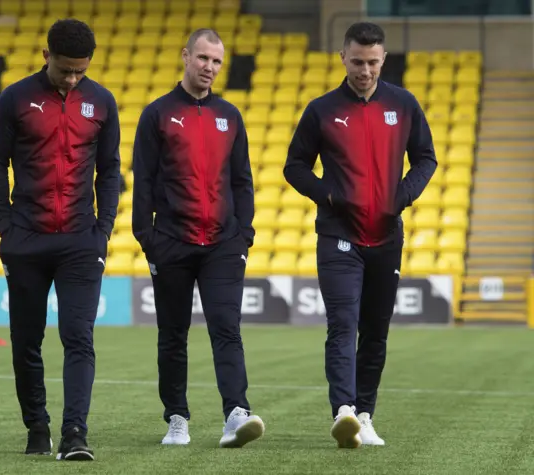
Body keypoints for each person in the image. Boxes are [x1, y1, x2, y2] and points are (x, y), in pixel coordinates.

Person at [283, 22, 437, 449]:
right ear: (342, 58)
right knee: (342, 324)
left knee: (376, 331)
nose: (365, 70)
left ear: (383, 59)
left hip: (386, 236)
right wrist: (329, 196)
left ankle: (365, 414)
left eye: (372, 62)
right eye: (357, 62)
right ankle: (344, 411)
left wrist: (400, 197)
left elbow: (426, 158)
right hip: (338, 236)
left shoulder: (403, 104)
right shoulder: (321, 109)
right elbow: (295, 166)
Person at [0, 19, 121, 461]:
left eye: (80, 71)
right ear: (47, 57)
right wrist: (6, 227)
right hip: (26, 239)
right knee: (26, 340)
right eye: (65, 70)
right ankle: (37, 427)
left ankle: (75, 433)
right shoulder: (15, 99)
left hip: (81, 241)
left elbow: (110, 170)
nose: (72, 78)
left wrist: (103, 230)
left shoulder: (102, 102)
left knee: (78, 336)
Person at [131, 28, 265, 448]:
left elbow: (242, 180)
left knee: (227, 327)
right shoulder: (157, 114)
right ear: (186, 56)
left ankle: (236, 413)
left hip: (224, 244)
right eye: (204, 58)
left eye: (217, 62)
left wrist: (244, 234)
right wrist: (147, 237)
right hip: (171, 241)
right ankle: (177, 418)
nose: (210, 67)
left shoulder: (230, 115)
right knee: (173, 333)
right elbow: (144, 181)